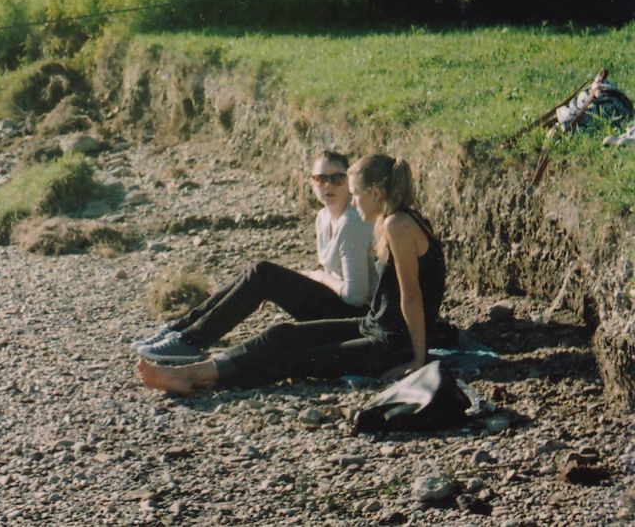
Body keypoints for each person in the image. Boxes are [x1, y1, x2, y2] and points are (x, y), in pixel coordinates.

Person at [136, 154, 445, 395]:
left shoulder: (398, 226)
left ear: (377, 193)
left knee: (296, 359)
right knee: (281, 334)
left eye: (355, 194)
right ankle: (200, 369)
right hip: (374, 327)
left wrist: (418, 360)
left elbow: (412, 296)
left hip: (392, 345)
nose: (352, 201)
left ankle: (191, 376)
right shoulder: (391, 221)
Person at [133, 150, 375, 363]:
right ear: (311, 182)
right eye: (320, 178)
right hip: (335, 306)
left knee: (263, 273)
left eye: (337, 178)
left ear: (349, 182)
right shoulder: (323, 217)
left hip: (358, 321)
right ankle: (181, 329)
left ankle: (190, 341)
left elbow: (356, 296)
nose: (328, 185)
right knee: (256, 274)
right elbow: (330, 274)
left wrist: (318, 276)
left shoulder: (352, 222)